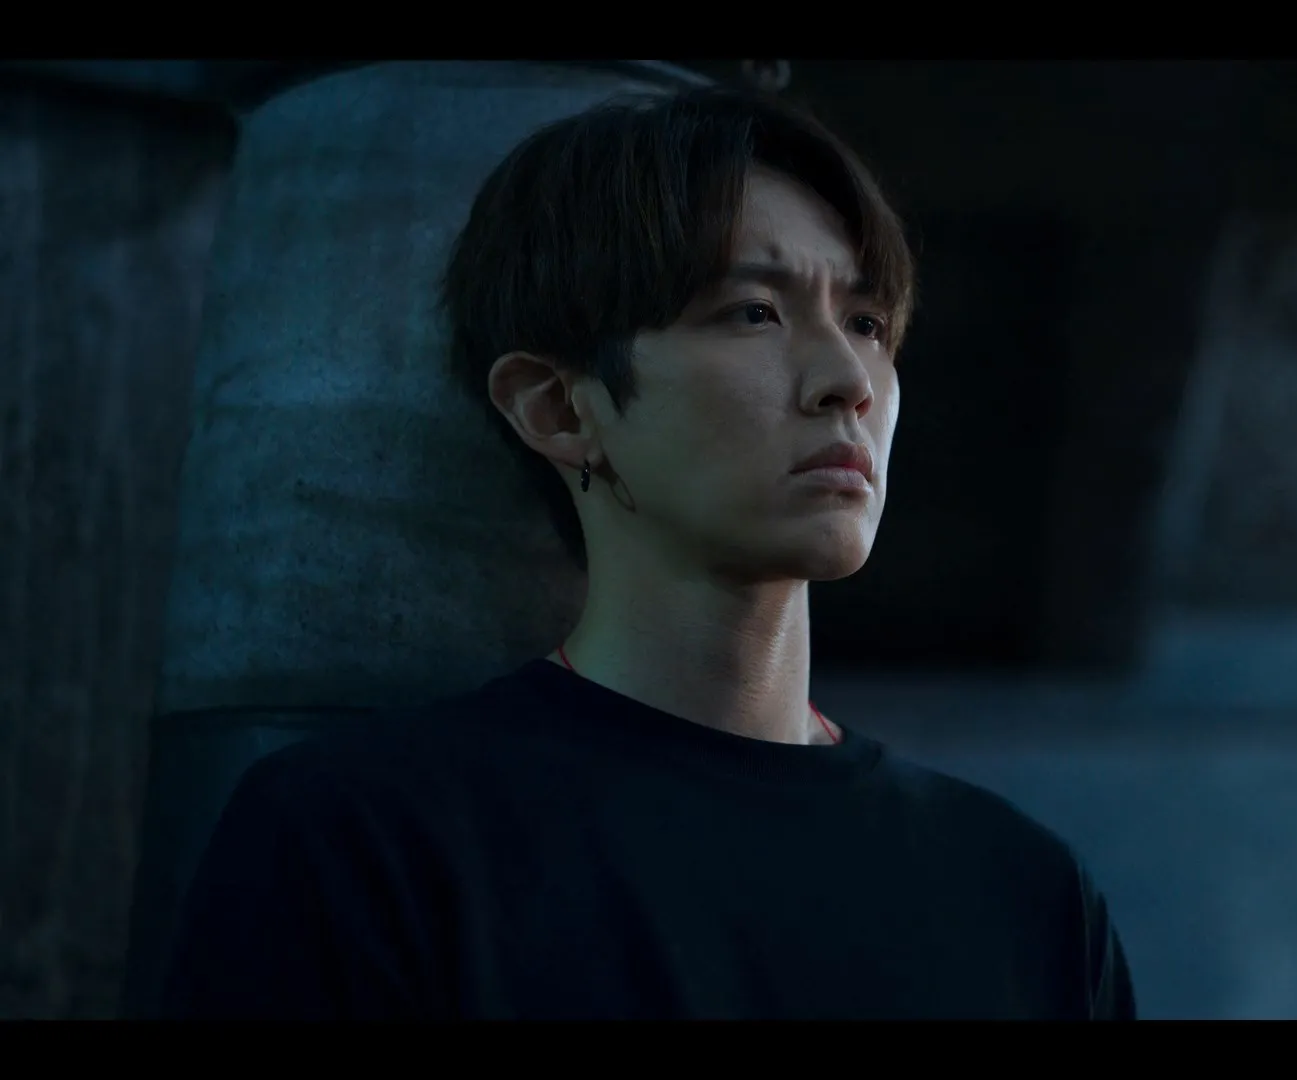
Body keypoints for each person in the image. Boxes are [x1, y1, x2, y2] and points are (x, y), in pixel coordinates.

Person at [160, 87, 1135, 1020]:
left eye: (868, 323)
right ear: (557, 408)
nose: (850, 379)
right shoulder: (363, 842)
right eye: (754, 312)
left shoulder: (1025, 894)